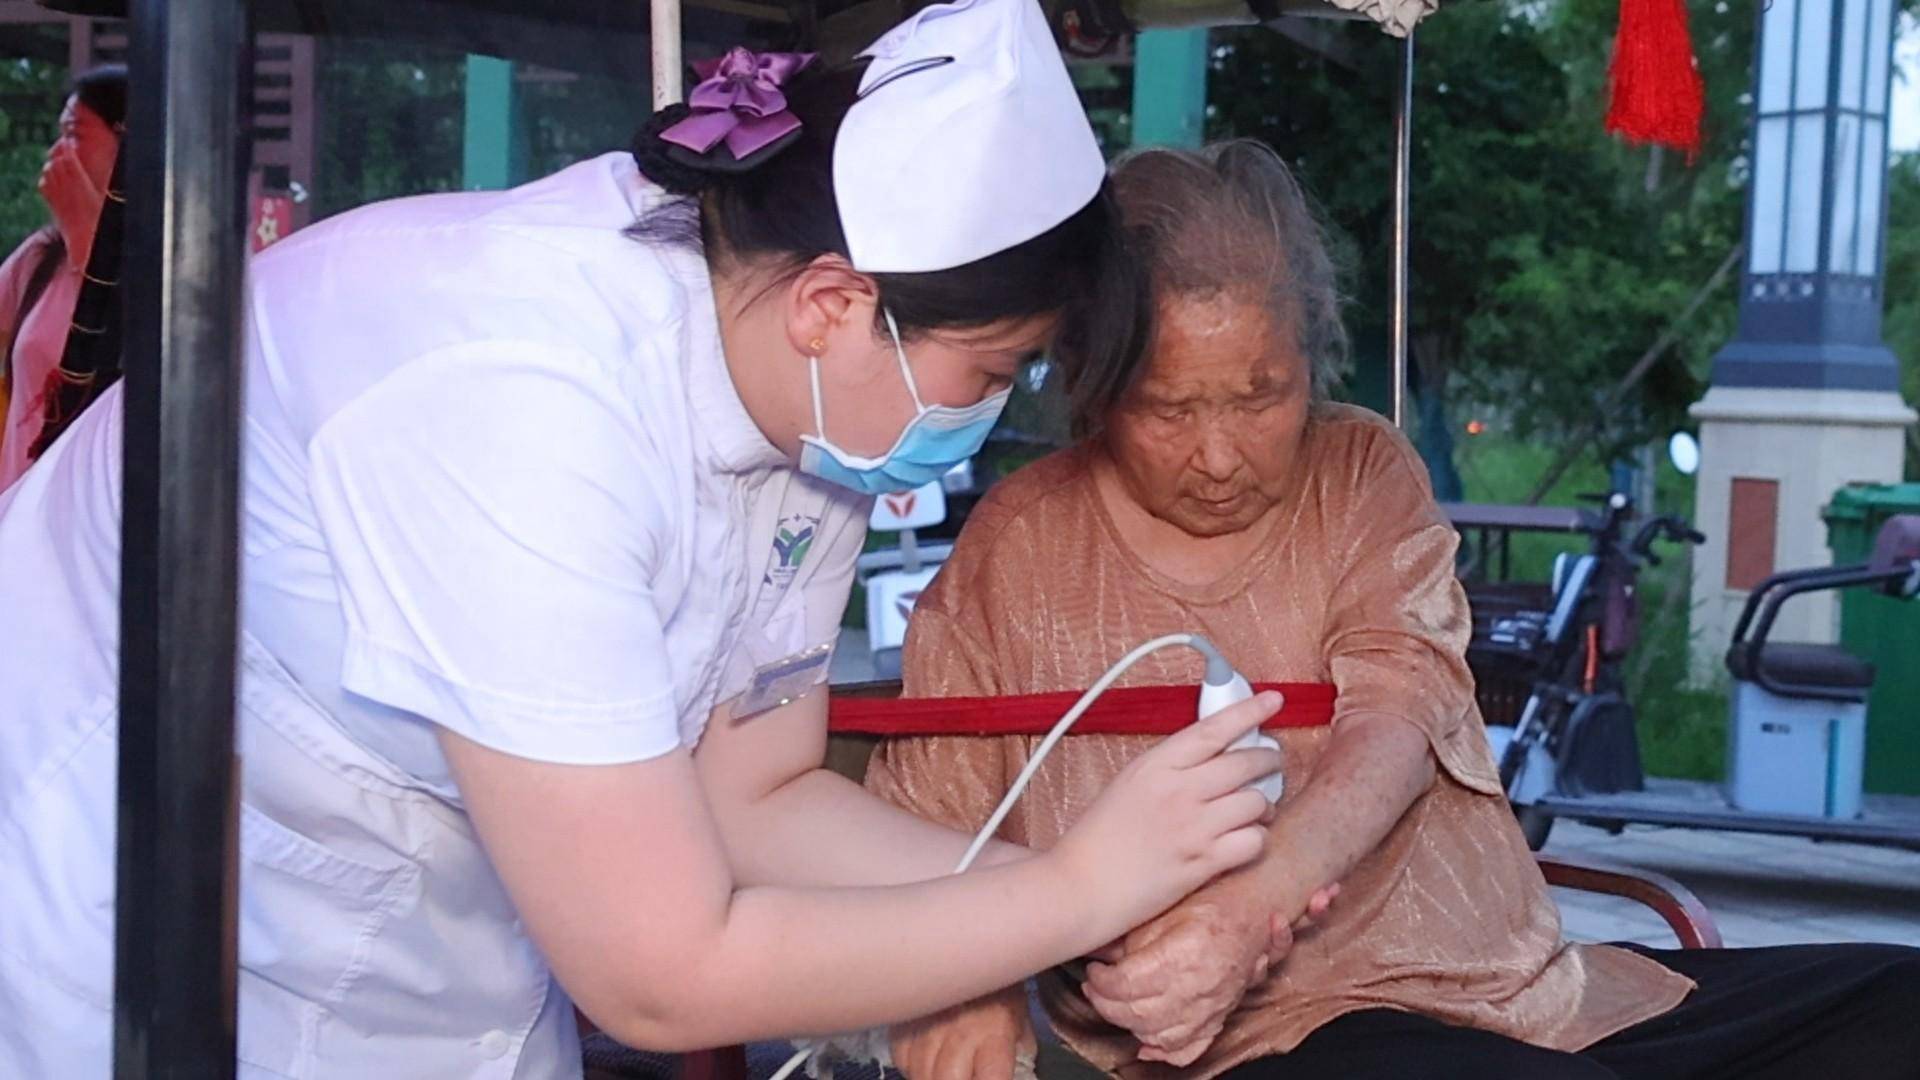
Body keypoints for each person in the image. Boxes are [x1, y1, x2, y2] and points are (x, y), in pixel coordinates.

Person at [0, 5, 1287, 1077]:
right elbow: (660, 978)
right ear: (838, 300)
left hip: (417, 902)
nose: (989, 415)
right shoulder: (518, 397)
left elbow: (752, 797)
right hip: (117, 900)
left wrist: (1057, 902)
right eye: (994, 369)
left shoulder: (810, 407)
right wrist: (1073, 899)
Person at [867, 141, 1920, 1080]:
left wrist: (1259, 899)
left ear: (1311, 362)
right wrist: (967, 987)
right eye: (1169, 409)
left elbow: (1400, 711)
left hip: (1513, 994)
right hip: (1272, 1039)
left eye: (1260, 395)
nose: (1222, 456)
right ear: (1094, 391)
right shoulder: (1019, 548)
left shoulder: (1359, 468)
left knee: (1897, 1007)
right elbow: (933, 827)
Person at [0, 65, 125, 493]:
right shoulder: (40, 259)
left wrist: (88, 230)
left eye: (75, 133)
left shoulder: (169, 261)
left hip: (97, 524)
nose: (58, 151)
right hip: (18, 517)